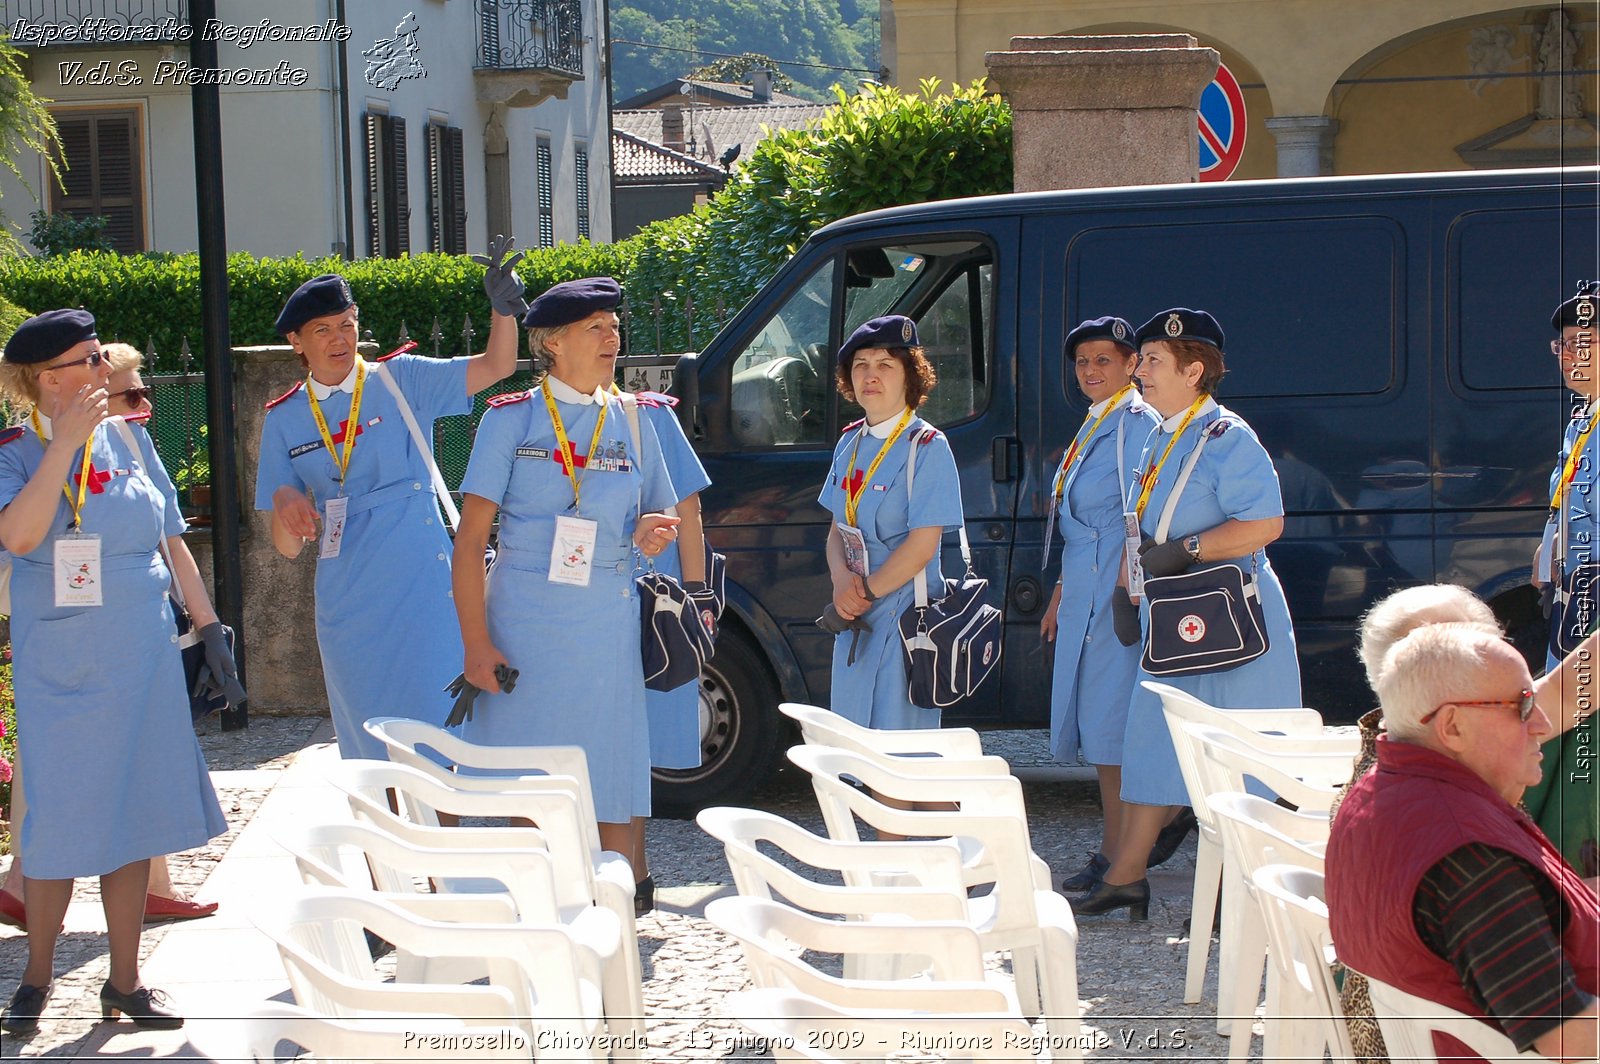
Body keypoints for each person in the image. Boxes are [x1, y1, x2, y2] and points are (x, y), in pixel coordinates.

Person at [0, 311, 230, 1034]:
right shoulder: (13, 450)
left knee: (133, 812)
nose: (104, 370)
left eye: (102, 357)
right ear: (46, 379)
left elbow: (171, 537)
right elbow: (20, 534)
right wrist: (62, 444)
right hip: (62, 660)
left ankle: (125, 980)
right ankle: (37, 974)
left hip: (139, 651)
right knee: (60, 815)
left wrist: (209, 625)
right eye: (89, 359)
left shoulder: (131, 441)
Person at [451, 277, 682, 914]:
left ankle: (616, 905)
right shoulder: (510, 420)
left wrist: (651, 530)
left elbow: (665, 508)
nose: (613, 337)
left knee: (609, 766)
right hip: (524, 621)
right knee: (533, 775)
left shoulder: (637, 418)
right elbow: (470, 542)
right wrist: (476, 644)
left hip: (605, 617)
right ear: (552, 343)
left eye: (614, 325)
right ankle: (547, 909)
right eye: (595, 328)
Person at [255, 244, 522, 761]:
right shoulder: (283, 417)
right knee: (370, 741)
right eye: (323, 330)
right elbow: (287, 547)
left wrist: (502, 310)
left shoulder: (402, 378)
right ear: (296, 341)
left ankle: (439, 842)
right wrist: (287, 498)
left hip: (422, 581)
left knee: (440, 735)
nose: (340, 338)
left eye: (347, 323)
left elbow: (498, 365)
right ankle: (383, 842)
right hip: (348, 597)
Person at [1077, 308, 1301, 919]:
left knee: (1239, 753)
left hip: (1232, 617)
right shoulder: (1160, 433)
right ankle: (1127, 874)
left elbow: (1266, 524)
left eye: (1152, 361)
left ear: (1193, 371)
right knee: (1152, 737)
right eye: (1143, 360)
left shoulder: (1229, 436)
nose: (1140, 370)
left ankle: (1244, 885)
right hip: (1173, 612)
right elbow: (1142, 519)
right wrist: (1131, 585)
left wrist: (1188, 549)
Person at [1327, 623, 1599, 1061]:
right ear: (1451, 726)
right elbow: (1565, 1034)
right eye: (1523, 705)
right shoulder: (1471, 856)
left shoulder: (1381, 790)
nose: (1544, 723)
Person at [1039, 317, 1158, 893]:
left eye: (1103, 360)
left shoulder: (1135, 422)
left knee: (1113, 726)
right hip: (1087, 584)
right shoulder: (1096, 422)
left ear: (1132, 364)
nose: (1090, 370)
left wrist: (1120, 590)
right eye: (1083, 361)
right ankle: (1114, 851)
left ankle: (1122, 860)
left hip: (1117, 589)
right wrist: (1063, 593)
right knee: (1100, 728)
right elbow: (1076, 523)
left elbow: (1138, 516)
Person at [819, 315, 964, 730]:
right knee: (853, 750)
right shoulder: (849, 443)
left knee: (899, 760)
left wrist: (861, 590)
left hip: (904, 617)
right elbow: (836, 531)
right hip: (853, 616)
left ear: (910, 376)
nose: (870, 375)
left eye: (885, 365)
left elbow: (922, 547)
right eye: (861, 365)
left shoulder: (928, 448)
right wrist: (840, 581)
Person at [1526, 287, 1600, 873]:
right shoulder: (1584, 416)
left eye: (1587, 342)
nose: (1571, 354)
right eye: (1565, 344)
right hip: (1575, 593)